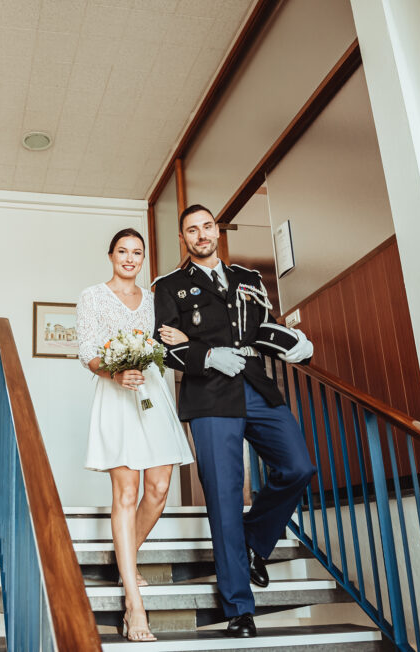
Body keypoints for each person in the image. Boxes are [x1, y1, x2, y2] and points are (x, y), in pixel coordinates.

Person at [152, 205, 317, 638]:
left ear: (217, 231)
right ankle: (240, 608)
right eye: (192, 230)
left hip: (256, 385)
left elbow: (261, 327)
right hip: (208, 396)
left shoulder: (248, 278)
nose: (201, 234)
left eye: (207, 226)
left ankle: (252, 538)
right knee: (224, 500)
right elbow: (163, 347)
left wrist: (293, 343)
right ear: (184, 238)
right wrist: (206, 354)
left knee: (298, 466)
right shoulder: (169, 287)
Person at [76, 227, 194, 643]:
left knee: (159, 488)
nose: (129, 258)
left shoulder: (156, 298)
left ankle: (127, 554)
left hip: (153, 392)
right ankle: (133, 604)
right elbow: (87, 351)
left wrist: (182, 339)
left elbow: (171, 340)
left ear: (143, 260)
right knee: (125, 494)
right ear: (111, 255)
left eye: (137, 253)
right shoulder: (92, 296)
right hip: (116, 394)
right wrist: (114, 371)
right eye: (123, 251)